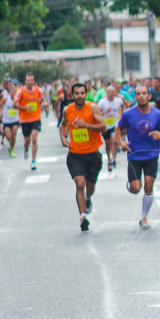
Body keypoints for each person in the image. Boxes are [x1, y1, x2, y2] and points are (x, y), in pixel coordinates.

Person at [116, 85, 160, 229]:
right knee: (136, 188)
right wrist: (121, 142)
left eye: (144, 93)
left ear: (149, 96)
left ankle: (144, 217)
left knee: (149, 184)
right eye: (138, 94)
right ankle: (130, 185)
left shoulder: (157, 114)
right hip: (134, 155)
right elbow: (118, 128)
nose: (141, 96)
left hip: (152, 154)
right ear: (135, 97)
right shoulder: (128, 114)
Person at [60, 82, 107, 231]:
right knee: (80, 183)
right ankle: (83, 217)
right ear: (72, 95)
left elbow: (103, 127)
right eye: (76, 93)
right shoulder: (67, 110)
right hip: (75, 154)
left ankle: (88, 198)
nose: (79, 96)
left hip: (93, 155)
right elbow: (63, 125)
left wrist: (86, 125)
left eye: (82, 93)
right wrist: (62, 137)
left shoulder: (92, 107)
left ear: (86, 94)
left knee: (90, 188)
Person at [15, 74, 46, 171]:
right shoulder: (21, 91)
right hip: (24, 119)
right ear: (25, 81)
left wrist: (44, 104)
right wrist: (25, 107)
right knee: (27, 141)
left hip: (36, 118)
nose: (30, 82)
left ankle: (33, 161)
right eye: (28, 80)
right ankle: (26, 148)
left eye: (31, 80)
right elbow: (14, 104)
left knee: (34, 138)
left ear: (34, 81)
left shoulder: (38, 90)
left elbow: (43, 101)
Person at [97, 85, 125, 173]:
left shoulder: (118, 101)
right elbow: (98, 113)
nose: (111, 94)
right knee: (108, 143)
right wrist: (106, 112)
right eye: (109, 92)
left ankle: (114, 159)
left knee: (115, 140)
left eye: (113, 92)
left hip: (115, 125)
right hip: (105, 126)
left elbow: (123, 105)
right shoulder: (102, 102)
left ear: (115, 93)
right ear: (106, 93)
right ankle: (109, 158)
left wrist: (122, 116)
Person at [0, 81, 18, 157]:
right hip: (6, 120)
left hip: (15, 120)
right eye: (12, 91)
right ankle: (11, 144)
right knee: (9, 137)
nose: (13, 93)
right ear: (10, 92)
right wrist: (1, 112)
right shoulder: (6, 99)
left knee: (14, 135)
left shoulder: (18, 100)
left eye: (15, 92)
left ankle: (11, 149)